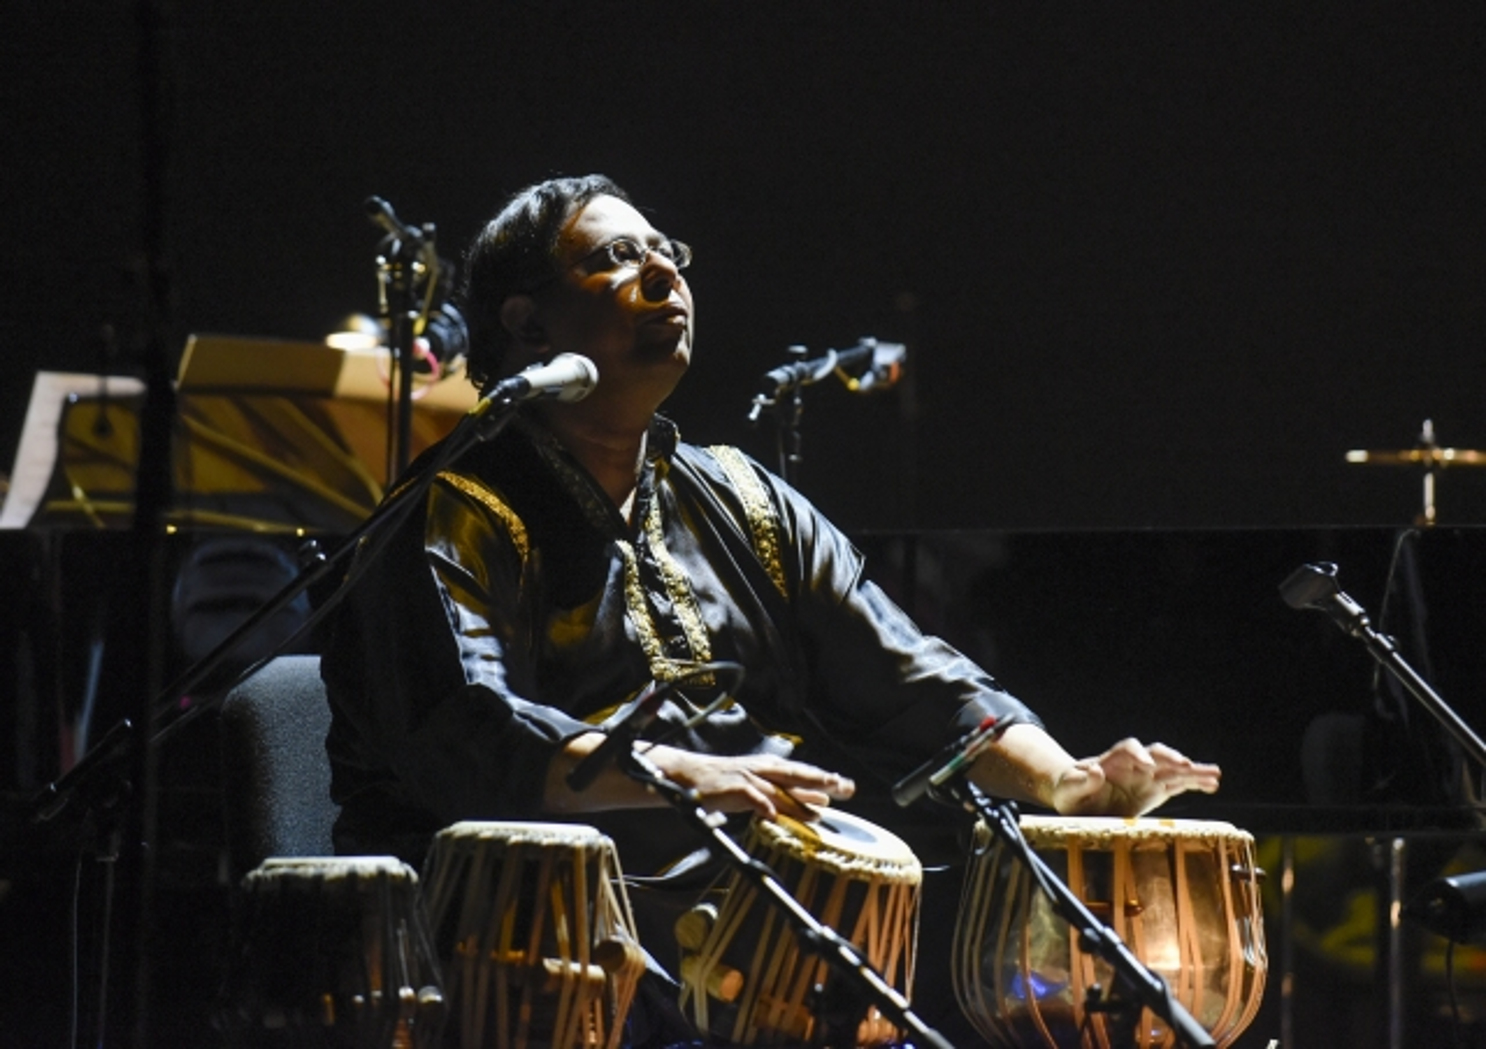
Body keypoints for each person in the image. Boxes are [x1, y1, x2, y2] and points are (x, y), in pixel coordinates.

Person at [320, 173, 1219, 1038]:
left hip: (778, 946)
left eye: (666, 251)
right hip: (546, 970)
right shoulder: (452, 509)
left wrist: (1071, 778)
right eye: (617, 258)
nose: (665, 273)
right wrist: (683, 775)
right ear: (527, 322)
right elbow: (466, 729)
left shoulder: (747, 502)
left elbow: (912, 676)